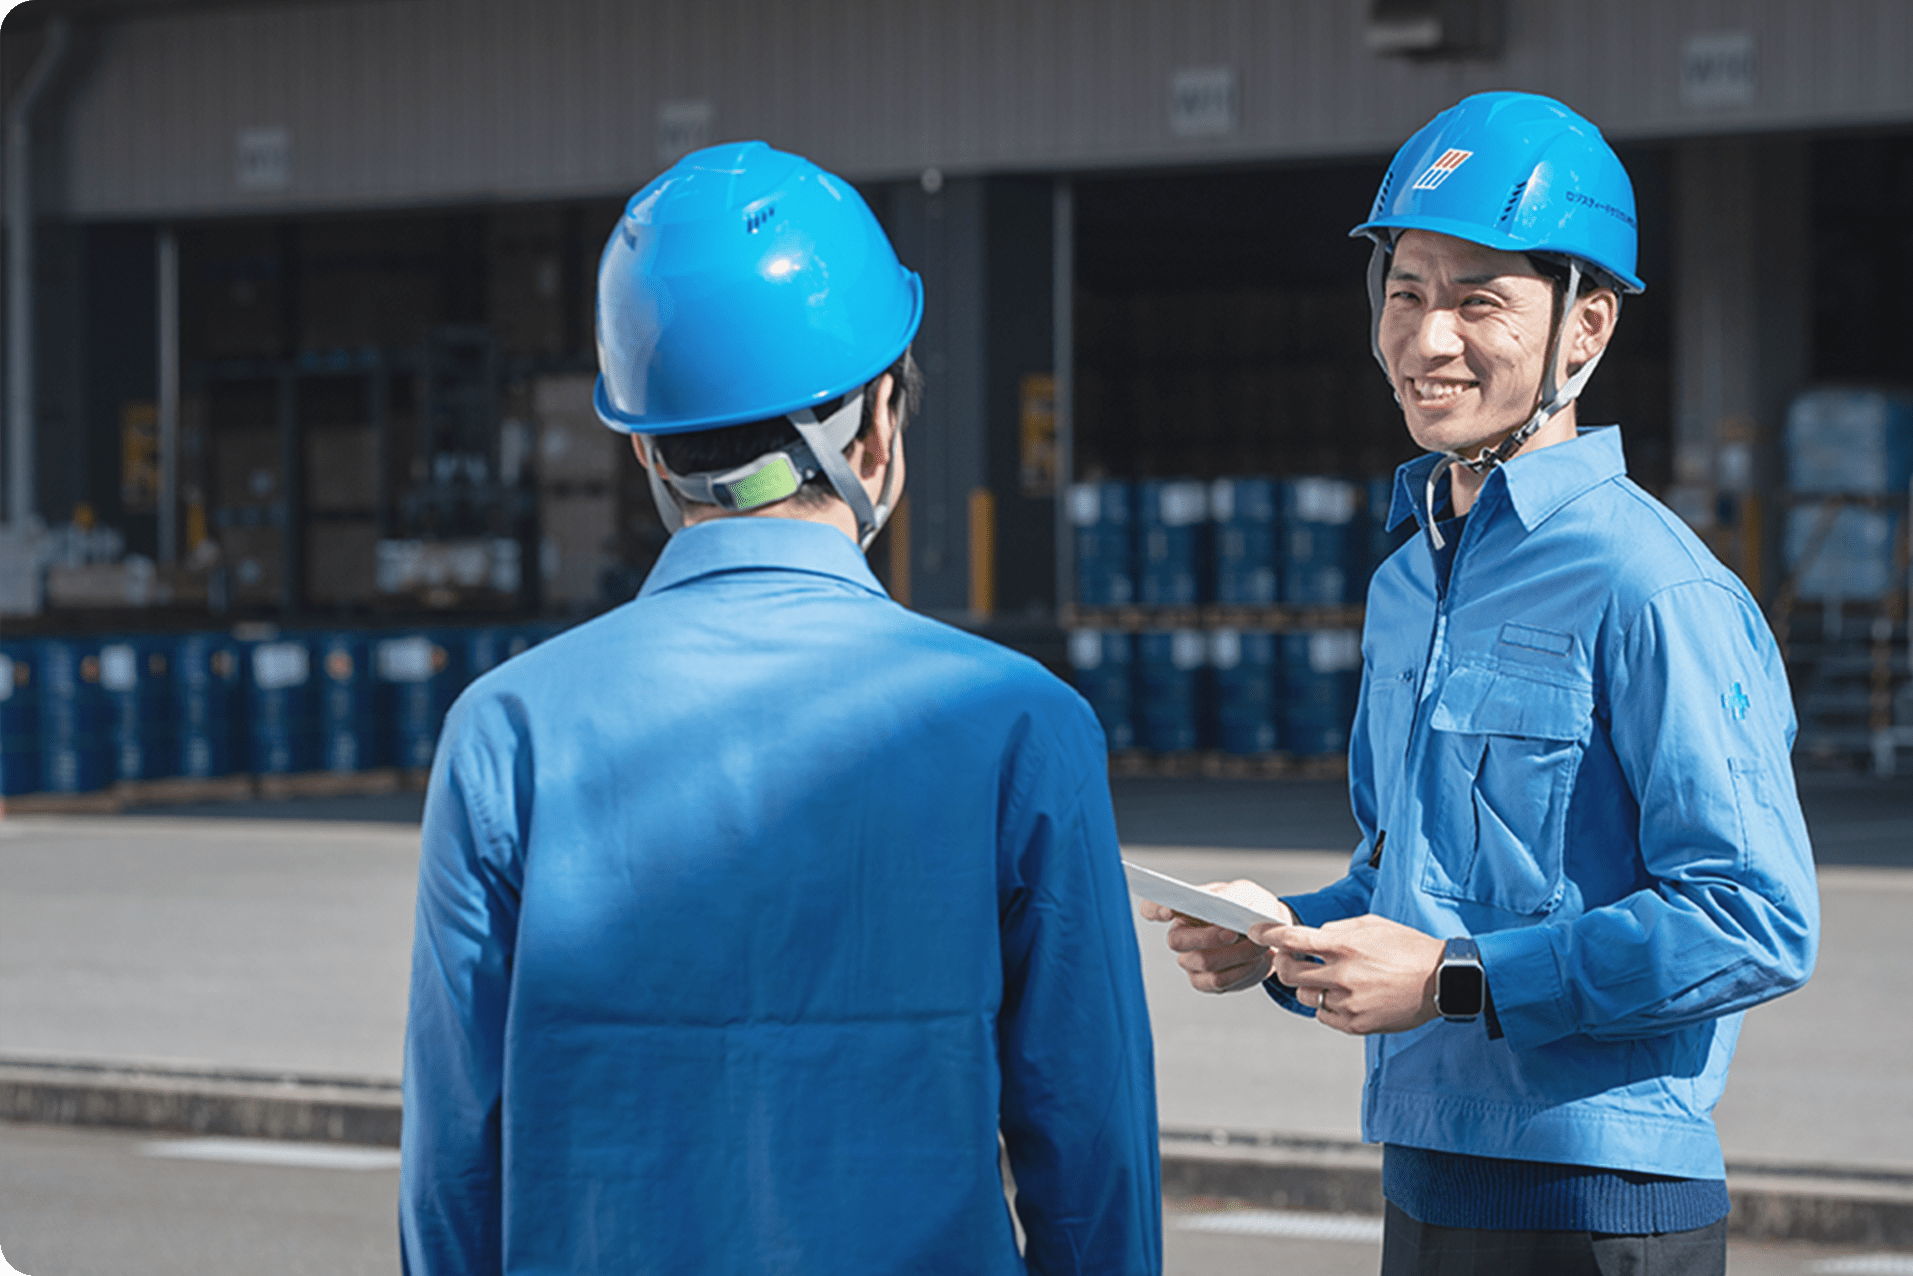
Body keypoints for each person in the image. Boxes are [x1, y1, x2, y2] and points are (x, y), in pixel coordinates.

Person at [401, 142, 1161, 1275]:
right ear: (875, 428)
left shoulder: (505, 732)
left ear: (648, 450)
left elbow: (456, 1149)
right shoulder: (1020, 725)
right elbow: (1088, 1141)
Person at [1143, 92, 1819, 1276]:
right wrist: (1285, 937)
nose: (1428, 337)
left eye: (1477, 300)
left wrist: (1458, 981)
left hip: (1600, 1203)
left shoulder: (1656, 588)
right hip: (1426, 1176)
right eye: (1405, 292)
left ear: (1586, 328)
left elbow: (1756, 918)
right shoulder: (1409, 581)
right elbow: (1408, 882)